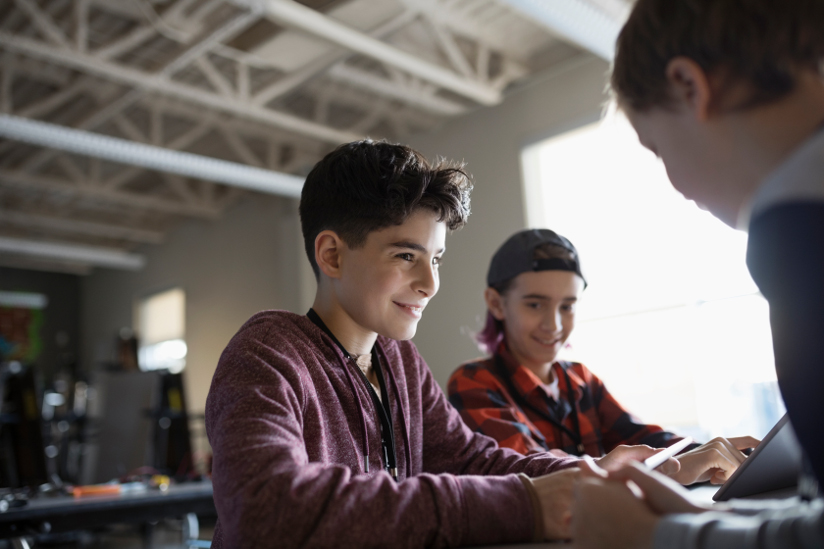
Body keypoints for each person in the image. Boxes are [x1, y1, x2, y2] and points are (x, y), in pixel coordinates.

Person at [205, 140, 670, 547]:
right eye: (406, 255)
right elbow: (266, 513)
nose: (430, 283)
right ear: (332, 254)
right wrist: (525, 504)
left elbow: (471, 459)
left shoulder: (397, 359)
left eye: (437, 259)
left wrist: (591, 473)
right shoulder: (268, 352)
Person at [571, 0, 824, 547]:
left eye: (657, 147)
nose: (677, 186)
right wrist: (698, 521)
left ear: (689, 86)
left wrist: (656, 538)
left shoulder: (799, 215)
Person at [447, 228, 756, 486]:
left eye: (567, 306)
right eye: (535, 305)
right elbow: (526, 472)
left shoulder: (580, 378)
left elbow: (642, 437)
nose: (553, 324)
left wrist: (709, 452)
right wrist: (671, 469)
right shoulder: (475, 382)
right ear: (496, 304)